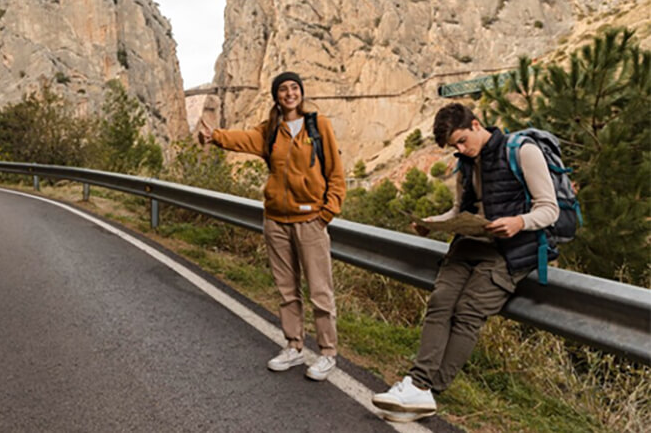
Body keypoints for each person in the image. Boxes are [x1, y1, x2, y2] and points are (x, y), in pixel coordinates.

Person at [371, 103, 560, 422]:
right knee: (440, 302)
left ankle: (426, 387)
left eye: (462, 141)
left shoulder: (523, 152)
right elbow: (459, 211)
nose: (460, 150)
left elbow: (549, 209)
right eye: (453, 146)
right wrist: (433, 222)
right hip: (469, 241)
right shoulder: (465, 164)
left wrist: (518, 222)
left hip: (510, 249)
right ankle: (419, 387)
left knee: (469, 313)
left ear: (476, 124)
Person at [197, 72, 346, 381]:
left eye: (294, 88)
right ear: (276, 96)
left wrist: (326, 213)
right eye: (283, 89)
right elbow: (243, 139)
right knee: (286, 291)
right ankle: (294, 346)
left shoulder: (319, 126)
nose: (289, 93)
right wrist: (215, 136)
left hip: (310, 221)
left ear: (301, 92)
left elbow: (336, 173)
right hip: (275, 221)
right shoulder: (271, 130)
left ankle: (328, 353)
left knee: (320, 291)